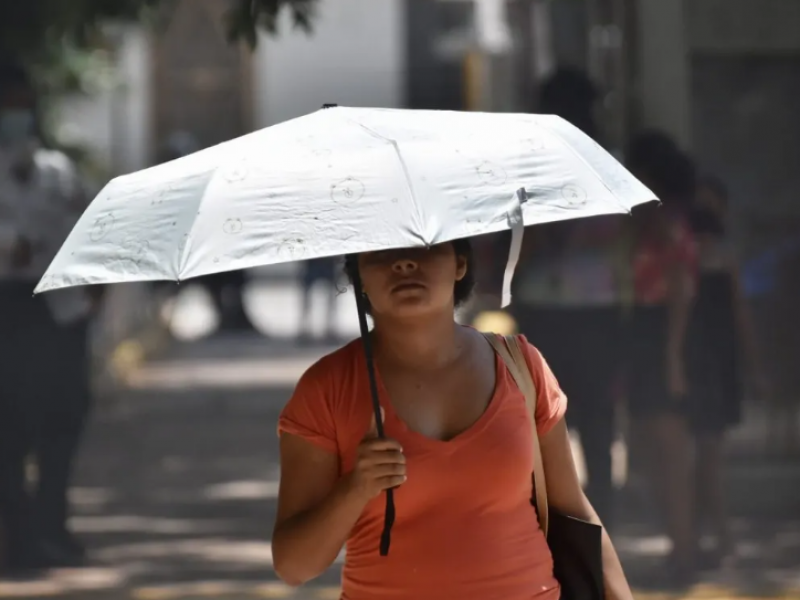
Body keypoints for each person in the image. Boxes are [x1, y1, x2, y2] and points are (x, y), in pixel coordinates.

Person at [271, 239, 633, 599]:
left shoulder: (521, 365)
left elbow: (574, 510)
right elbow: (294, 566)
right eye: (383, 251)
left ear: (460, 264)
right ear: (359, 275)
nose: (404, 263)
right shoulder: (327, 388)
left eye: (425, 246)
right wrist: (355, 488)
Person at [512, 67, 627, 528]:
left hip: (547, 303)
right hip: (597, 303)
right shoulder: (607, 162)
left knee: (542, 411)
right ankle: (597, 507)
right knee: (594, 412)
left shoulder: (534, 166)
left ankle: (551, 506)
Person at [0, 63, 99, 574]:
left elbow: (86, 227)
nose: (16, 117)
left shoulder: (57, 170)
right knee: (10, 430)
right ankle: (19, 541)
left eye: (21, 105)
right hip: (9, 312)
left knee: (64, 420)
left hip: (61, 313)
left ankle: (51, 526)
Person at [625, 132, 698, 583]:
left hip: (663, 335)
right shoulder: (648, 223)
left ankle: (684, 549)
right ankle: (678, 545)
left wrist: (673, 356)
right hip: (645, 333)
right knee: (653, 449)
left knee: (670, 450)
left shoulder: (668, 225)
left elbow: (681, 292)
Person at [686, 175, 762, 564]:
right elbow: (740, 312)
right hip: (702, 362)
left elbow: (740, 313)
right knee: (706, 455)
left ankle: (707, 537)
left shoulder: (707, 256)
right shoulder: (700, 256)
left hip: (712, 362)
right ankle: (717, 537)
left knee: (707, 454)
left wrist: (751, 365)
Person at [298, 256, 339, 342]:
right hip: (316, 260)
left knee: (330, 296)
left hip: (322, 260)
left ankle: (328, 328)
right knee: (308, 299)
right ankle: (306, 329)